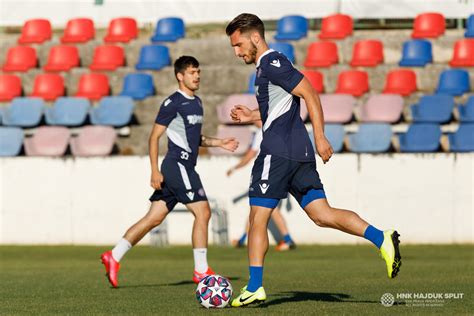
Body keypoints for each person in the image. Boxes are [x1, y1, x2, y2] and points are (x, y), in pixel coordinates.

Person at [225, 13, 401, 307]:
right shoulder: (266, 67)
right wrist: (252, 115)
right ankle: (382, 239)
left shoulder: (271, 62)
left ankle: (255, 286)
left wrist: (320, 136)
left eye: (238, 44)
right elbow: (283, 105)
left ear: (255, 37)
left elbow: (309, 91)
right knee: (323, 215)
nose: (236, 51)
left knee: (258, 218)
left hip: (278, 152)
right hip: (299, 155)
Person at [100, 56, 239, 288]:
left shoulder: (197, 102)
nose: (197, 76)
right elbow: (154, 137)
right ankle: (201, 270)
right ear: (180, 76)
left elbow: (195, 138)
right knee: (203, 212)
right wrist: (154, 170)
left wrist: (220, 143)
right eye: (192, 72)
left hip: (183, 166)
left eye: (198, 72)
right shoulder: (172, 103)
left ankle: (113, 256)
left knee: (153, 219)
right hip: (177, 165)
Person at [227, 120, 296, 251]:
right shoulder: (276, 131)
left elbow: (251, 155)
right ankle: (243, 239)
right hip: (275, 173)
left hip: (267, 173)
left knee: (269, 209)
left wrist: (235, 167)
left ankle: (288, 239)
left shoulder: (262, 133)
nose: (254, 122)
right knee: (257, 207)